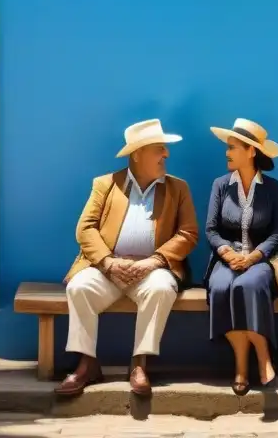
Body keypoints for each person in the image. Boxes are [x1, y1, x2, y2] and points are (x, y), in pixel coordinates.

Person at [56, 119, 198, 397]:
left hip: (152, 268)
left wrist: (154, 261)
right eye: (159, 149)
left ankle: (139, 363)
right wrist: (108, 262)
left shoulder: (178, 188)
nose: (166, 155)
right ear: (138, 154)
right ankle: (87, 364)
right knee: (79, 287)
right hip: (109, 267)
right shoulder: (105, 184)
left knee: (161, 288)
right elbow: (85, 228)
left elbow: (188, 233)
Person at [204, 118, 278, 395]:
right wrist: (227, 253)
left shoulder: (273, 188)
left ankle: (262, 356)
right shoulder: (220, 185)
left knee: (246, 286)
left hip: (259, 261)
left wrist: (253, 257)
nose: (227, 153)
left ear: (251, 151)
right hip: (226, 258)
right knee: (220, 287)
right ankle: (240, 364)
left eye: (232, 147)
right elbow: (211, 229)